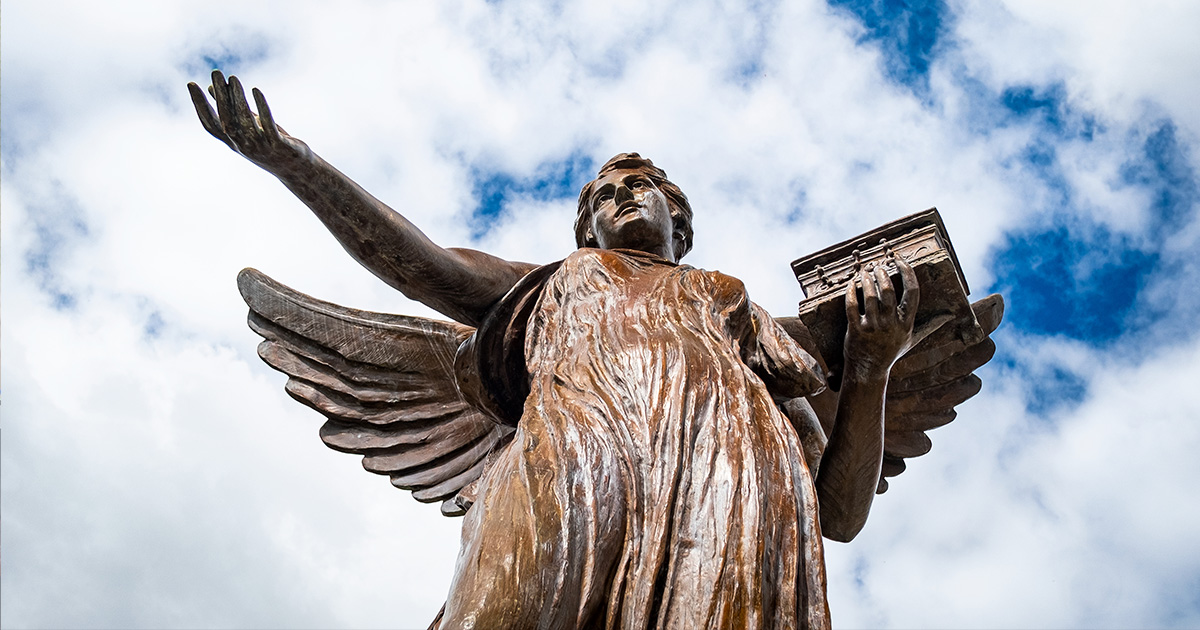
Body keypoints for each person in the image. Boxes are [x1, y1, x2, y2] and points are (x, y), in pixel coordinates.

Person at [190, 71, 918, 629]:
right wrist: (297, 164)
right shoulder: (562, 280)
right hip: (573, 463)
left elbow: (840, 512)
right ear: (586, 232)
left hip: (726, 480)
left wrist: (870, 367)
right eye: (603, 196)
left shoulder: (730, 300)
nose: (621, 197)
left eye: (640, 188)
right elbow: (422, 266)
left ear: (680, 223)